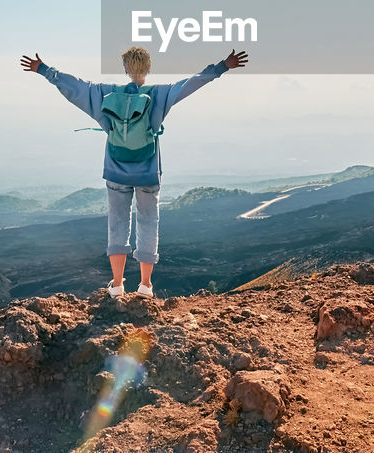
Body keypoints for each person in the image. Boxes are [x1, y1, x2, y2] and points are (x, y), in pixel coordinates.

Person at [20, 46, 248, 298]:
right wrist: (222, 67)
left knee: (117, 222)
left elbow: (74, 87)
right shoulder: (160, 93)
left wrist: (43, 69)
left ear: (126, 69)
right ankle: (145, 285)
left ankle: (117, 284)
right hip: (148, 170)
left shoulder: (104, 93)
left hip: (116, 169)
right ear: (148, 68)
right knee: (148, 222)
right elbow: (193, 83)